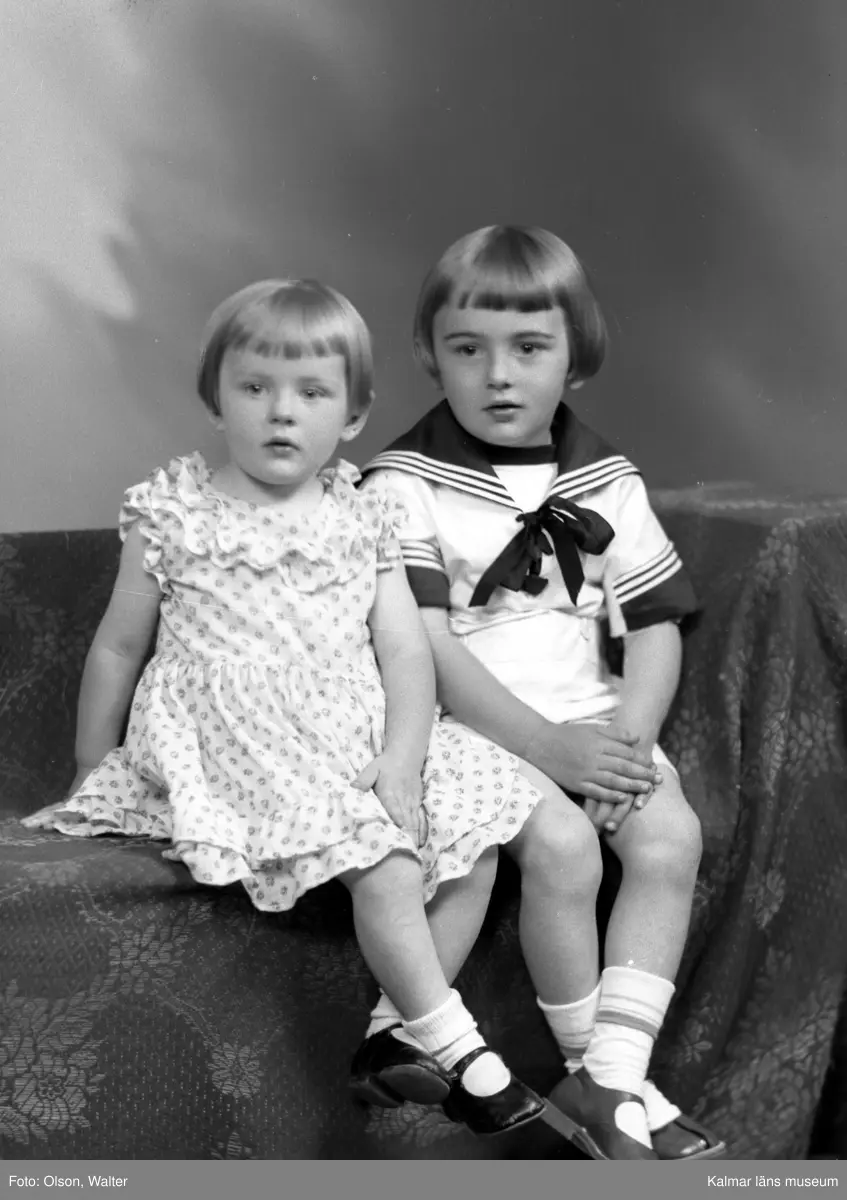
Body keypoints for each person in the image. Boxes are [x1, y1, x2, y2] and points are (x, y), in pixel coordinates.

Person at [22, 278, 554, 1138]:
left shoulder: (363, 516)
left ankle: (391, 1039)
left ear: (352, 416)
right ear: (215, 399)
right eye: (255, 387)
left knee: (475, 839)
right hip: (235, 733)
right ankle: (463, 1054)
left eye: (311, 393)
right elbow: (118, 647)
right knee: (386, 863)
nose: (281, 412)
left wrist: (402, 760)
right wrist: (94, 763)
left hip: (349, 726)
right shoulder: (173, 512)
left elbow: (404, 652)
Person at [359, 225, 725, 1161]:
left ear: (576, 355)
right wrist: (545, 747)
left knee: (669, 835)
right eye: (467, 349)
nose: (498, 375)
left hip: (592, 713)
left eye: (528, 348)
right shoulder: (403, 482)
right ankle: (605, 1085)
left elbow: (653, 625)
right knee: (565, 849)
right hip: (467, 722)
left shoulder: (606, 478)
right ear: (427, 354)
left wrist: (628, 740)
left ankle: (611, 1076)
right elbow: (427, 643)